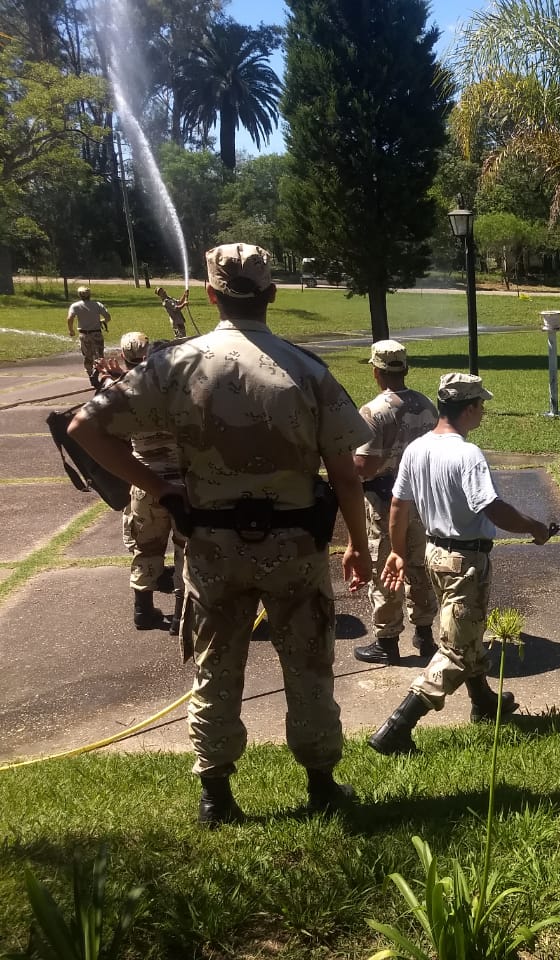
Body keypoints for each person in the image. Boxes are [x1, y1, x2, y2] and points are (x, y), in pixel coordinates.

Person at [69, 243, 374, 825]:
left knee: (216, 664)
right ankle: (321, 784)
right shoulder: (307, 370)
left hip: (212, 546)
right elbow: (345, 474)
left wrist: (160, 490)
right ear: (272, 294)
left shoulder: (176, 364)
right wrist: (357, 545)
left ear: (210, 295)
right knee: (308, 663)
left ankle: (216, 796)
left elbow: (85, 426)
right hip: (294, 545)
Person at [368, 373, 551, 756]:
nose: (483, 410)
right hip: (465, 560)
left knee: (466, 630)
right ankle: (396, 729)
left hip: (434, 554)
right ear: (469, 409)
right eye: (481, 404)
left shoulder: (417, 448)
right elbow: (492, 507)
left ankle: (483, 702)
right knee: (455, 650)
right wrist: (534, 527)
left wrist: (398, 551)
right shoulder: (468, 455)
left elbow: (399, 505)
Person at [351, 339, 440, 665]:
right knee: (420, 565)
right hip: (422, 500)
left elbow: (364, 467)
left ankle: (387, 641)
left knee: (386, 568)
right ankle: (425, 634)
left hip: (385, 501)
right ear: (406, 369)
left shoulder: (374, 411)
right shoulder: (426, 405)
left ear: (376, 372)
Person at [100, 332, 186, 633]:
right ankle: (181, 617)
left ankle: (143, 611)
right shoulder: (181, 393)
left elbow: (104, 417)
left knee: (146, 548)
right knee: (186, 551)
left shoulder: (127, 392)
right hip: (183, 485)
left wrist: (113, 378)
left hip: (145, 481)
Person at [66, 285, 110, 385]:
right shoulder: (97, 305)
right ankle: (99, 371)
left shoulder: (75, 306)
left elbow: (70, 318)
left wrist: (71, 330)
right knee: (99, 355)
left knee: (87, 356)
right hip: (96, 333)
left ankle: (90, 374)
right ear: (90, 294)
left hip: (84, 334)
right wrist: (102, 321)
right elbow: (108, 317)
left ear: (79, 295)